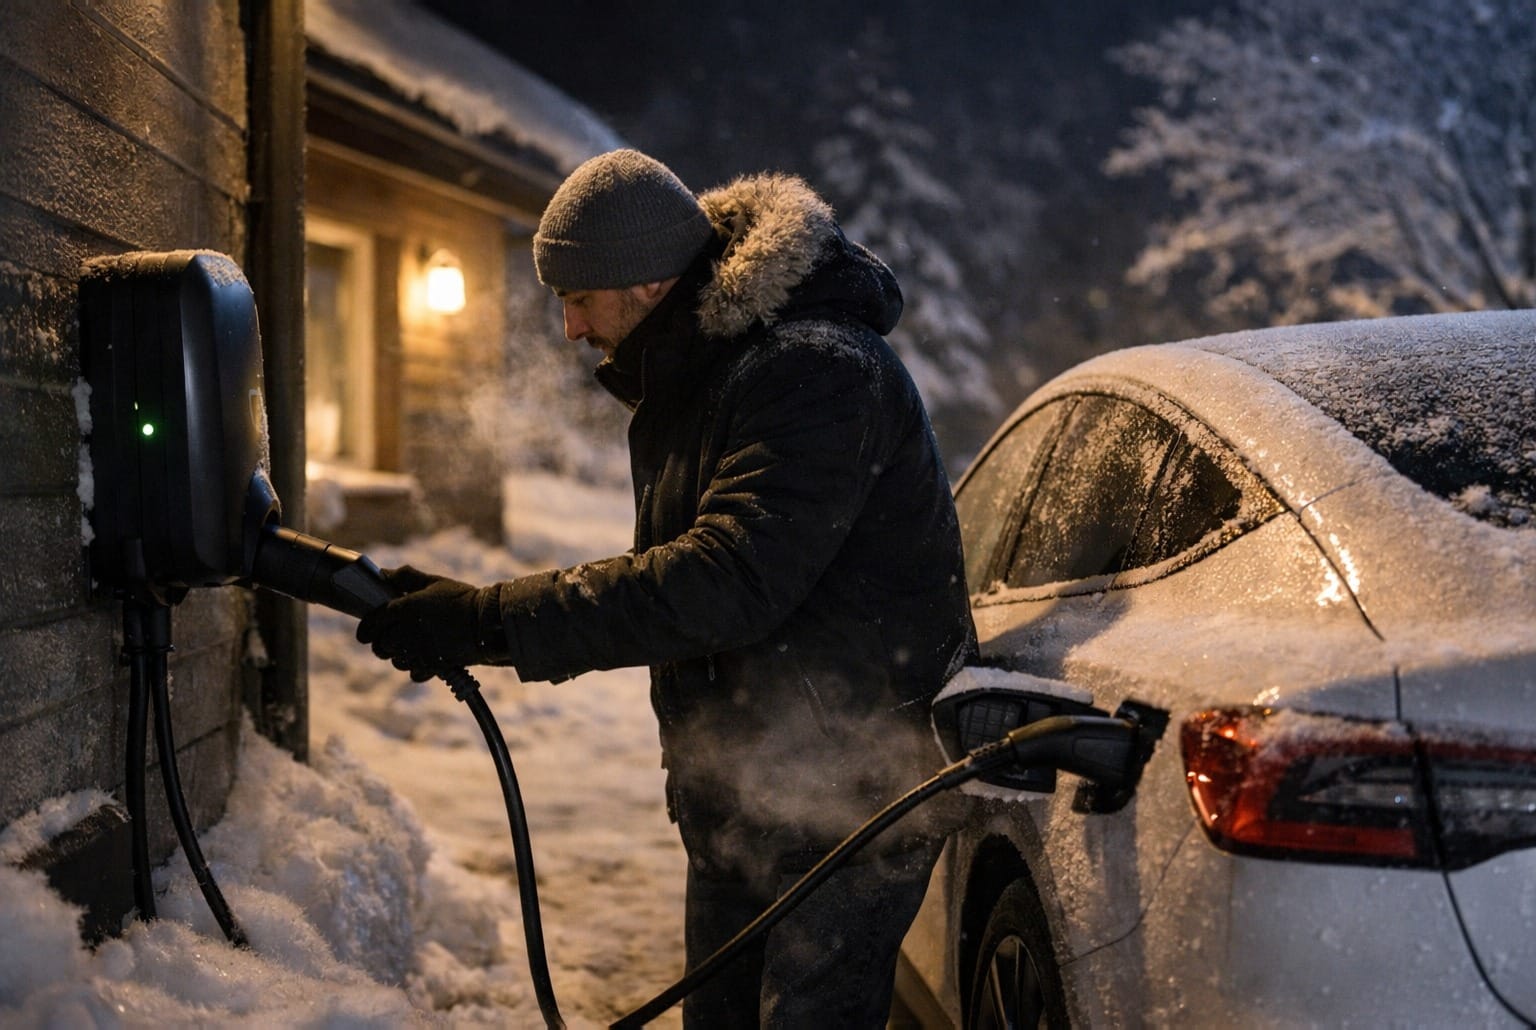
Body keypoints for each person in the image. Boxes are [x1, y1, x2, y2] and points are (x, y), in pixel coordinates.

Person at [357, 148, 976, 1027]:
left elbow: (724, 580)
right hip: (744, 784)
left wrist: (487, 621)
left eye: (577, 298)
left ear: (647, 284)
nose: (569, 329)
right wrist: (465, 607)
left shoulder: (818, 371)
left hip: (849, 794)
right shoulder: (705, 377)